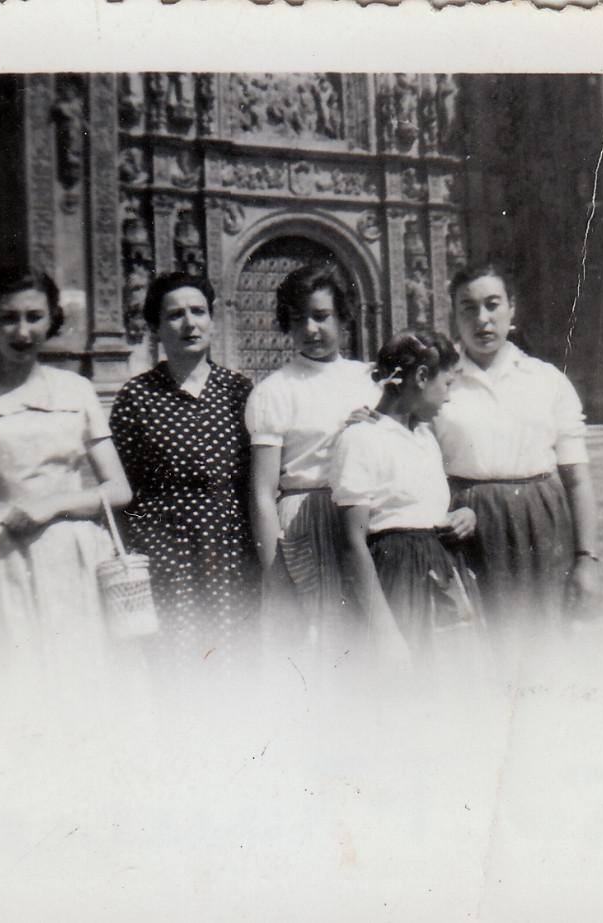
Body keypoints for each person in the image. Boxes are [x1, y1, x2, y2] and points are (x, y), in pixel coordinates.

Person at [0, 267, 134, 682]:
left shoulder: (76, 389)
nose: (22, 331)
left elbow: (119, 489)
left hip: (76, 558)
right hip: (1, 555)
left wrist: (54, 505)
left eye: (34, 317)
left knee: (82, 678)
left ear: (51, 320)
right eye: (8, 318)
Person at [432, 262, 603, 624]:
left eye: (492, 305)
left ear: (512, 308)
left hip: (541, 527)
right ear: (454, 315)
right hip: (465, 531)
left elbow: (577, 480)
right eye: (468, 307)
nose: (482, 319)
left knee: (546, 638)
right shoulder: (437, 384)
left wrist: (586, 559)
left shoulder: (547, 381)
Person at [109, 271, 259, 666]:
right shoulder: (136, 397)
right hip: (165, 560)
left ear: (212, 319)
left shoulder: (239, 391)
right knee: (177, 669)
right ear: (156, 328)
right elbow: (123, 491)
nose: (190, 323)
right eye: (175, 315)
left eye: (198, 311)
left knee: (237, 665)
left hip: (232, 554)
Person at [245, 262, 378, 661]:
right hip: (306, 522)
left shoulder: (370, 379)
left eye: (321, 316)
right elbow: (263, 492)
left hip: (368, 518)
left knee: (368, 638)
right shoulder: (274, 391)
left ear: (343, 317)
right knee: (316, 646)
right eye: (299, 318)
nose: (310, 328)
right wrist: (276, 572)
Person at [330, 329, 481, 674]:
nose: (449, 398)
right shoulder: (361, 439)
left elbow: (422, 507)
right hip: (397, 581)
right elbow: (353, 543)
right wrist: (384, 631)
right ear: (422, 377)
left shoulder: (425, 437)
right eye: (447, 384)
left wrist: (462, 515)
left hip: (441, 577)